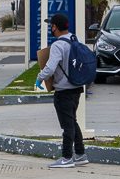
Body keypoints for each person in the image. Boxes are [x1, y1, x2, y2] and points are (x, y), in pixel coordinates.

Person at [35, 13, 88, 168]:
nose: (51, 28)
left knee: (67, 125)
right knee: (72, 120)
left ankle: (66, 157)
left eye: (51, 25)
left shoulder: (58, 45)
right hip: (76, 87)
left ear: (55, 27)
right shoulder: (73, 39)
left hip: (63, 90)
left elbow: (50, 68)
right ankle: (80, 154)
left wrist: (39, 78)